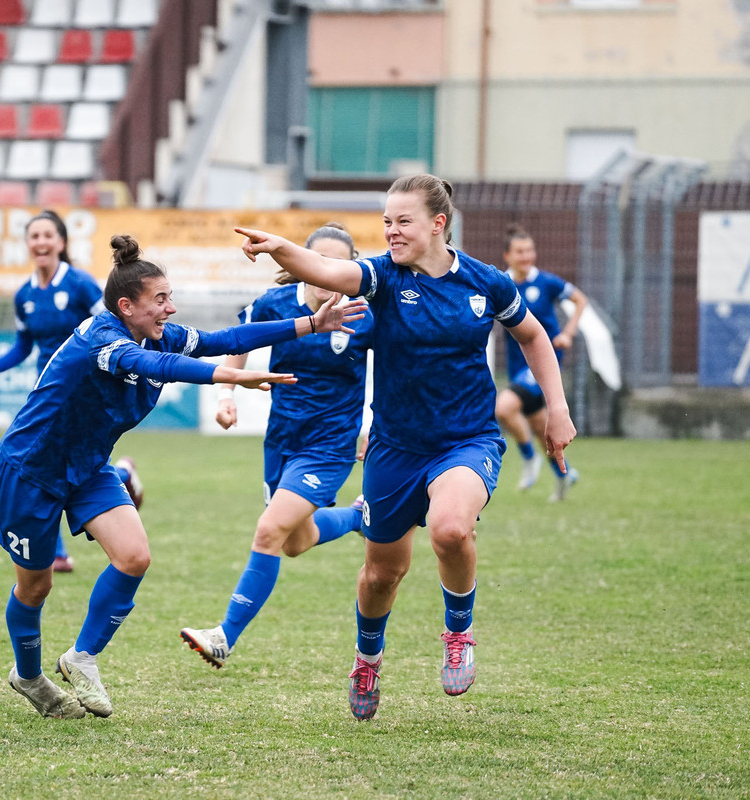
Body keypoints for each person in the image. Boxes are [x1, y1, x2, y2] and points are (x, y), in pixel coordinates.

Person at [236, 173, 575, 719]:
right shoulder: (382, 277)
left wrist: (557, 409)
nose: (391, 231)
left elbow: (533, 335)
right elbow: (327, 269)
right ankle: (367, 658)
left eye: (403, 221)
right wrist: (282, 248)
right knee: (381, 575)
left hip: (466, 439)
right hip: (395, 447)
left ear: (438, 223)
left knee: (449, 528)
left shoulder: (486, 283)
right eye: (386, 222)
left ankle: (458, 633)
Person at [0, 234, 367, 719]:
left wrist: (312, 324)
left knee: (134, 557)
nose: (171, 309)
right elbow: (156, 365)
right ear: (127, 306)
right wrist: (230, 379)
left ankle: (82, 658)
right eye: (161, 300)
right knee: (36, 587)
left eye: (170, 297)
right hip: (31, 470)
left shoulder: (154, 331)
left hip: (87, 467)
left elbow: (224, 340)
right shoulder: (102, 340)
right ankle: (28, 677)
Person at [180, 223, 374, 669]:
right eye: (316, 262)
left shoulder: (365, 313)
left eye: (335, 265)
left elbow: (394, 374)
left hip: (331, 446)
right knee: (294, 542)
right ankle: (357, 517)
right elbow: (238, 344)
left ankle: (224, 635)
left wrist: (375, 424)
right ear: (299, 263)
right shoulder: (274, 305)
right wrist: (226, 395)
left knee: (268, 532)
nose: (324, 273)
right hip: (283, 440)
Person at [0, 209, 142, 573]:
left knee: (75, 462)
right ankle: (58, 551)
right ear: (28, 245)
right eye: (34, 236)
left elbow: (113, 325)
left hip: (87, 393)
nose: (41, 242)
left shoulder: (80, 285)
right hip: (48, 395)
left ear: (61, 243)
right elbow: (22, 347)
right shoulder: (25, 295)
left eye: (48, 235)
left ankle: (122, 476)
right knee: (42, 462)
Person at [495, 224, 588, 501]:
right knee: (540, 428)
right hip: (517, 367)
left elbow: (579, 299)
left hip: (542, 365)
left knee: (504, 408)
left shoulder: (546, 283)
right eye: (520, 252)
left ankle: (528, 458)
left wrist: (568, 333)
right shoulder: (502, 284)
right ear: (507, 256)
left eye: (530, 250)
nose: (526, 256)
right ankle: (564, 475)